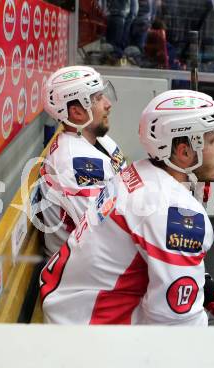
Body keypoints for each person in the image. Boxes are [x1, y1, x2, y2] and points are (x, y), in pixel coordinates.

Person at [40, 89, 214, 328]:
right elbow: (175, 329)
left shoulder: (140, 171)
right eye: (212, 140)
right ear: (184, 152)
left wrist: (208, 294)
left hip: (71, 305)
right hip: (84, 331)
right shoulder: (173, 211)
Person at [40, 66, 127, 259]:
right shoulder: (75, 163)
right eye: (97, 98)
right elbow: (104, 233)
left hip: (97, 261)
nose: (107, 104)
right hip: (82, 275)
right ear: (77, 112)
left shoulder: (100, 140)